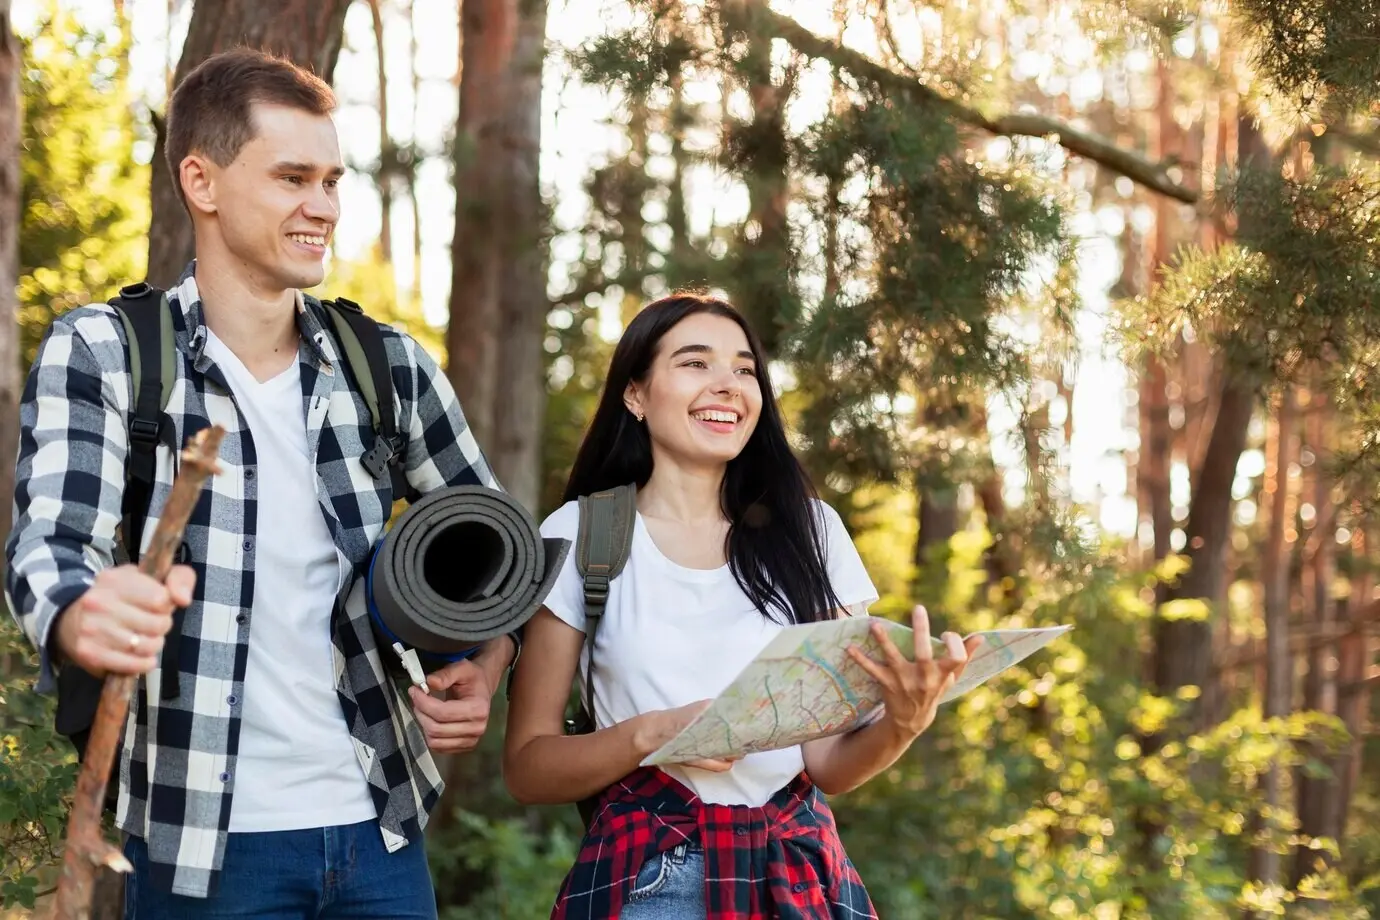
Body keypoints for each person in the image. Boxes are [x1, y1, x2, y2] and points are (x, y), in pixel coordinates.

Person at [4, 49, 519, 918]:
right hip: (200, 845)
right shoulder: (107, 352)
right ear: (201, 182)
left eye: (331, 181)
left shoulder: (386, 366)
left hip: (380, 829)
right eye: (292, 178)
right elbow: (49, 544)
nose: (322, 207)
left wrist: (488, 661)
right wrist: (81, 613)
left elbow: (492, 543)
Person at [503, 293, 983, 918]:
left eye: (744, 368)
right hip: (650, 878)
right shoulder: (580, 535)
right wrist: (652, 735)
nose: (728, 385)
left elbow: (829, 765)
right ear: (636, 395)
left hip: (800, 877)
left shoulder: (811, 532)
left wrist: (903, 720)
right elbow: (528, 768)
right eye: (696, 363)